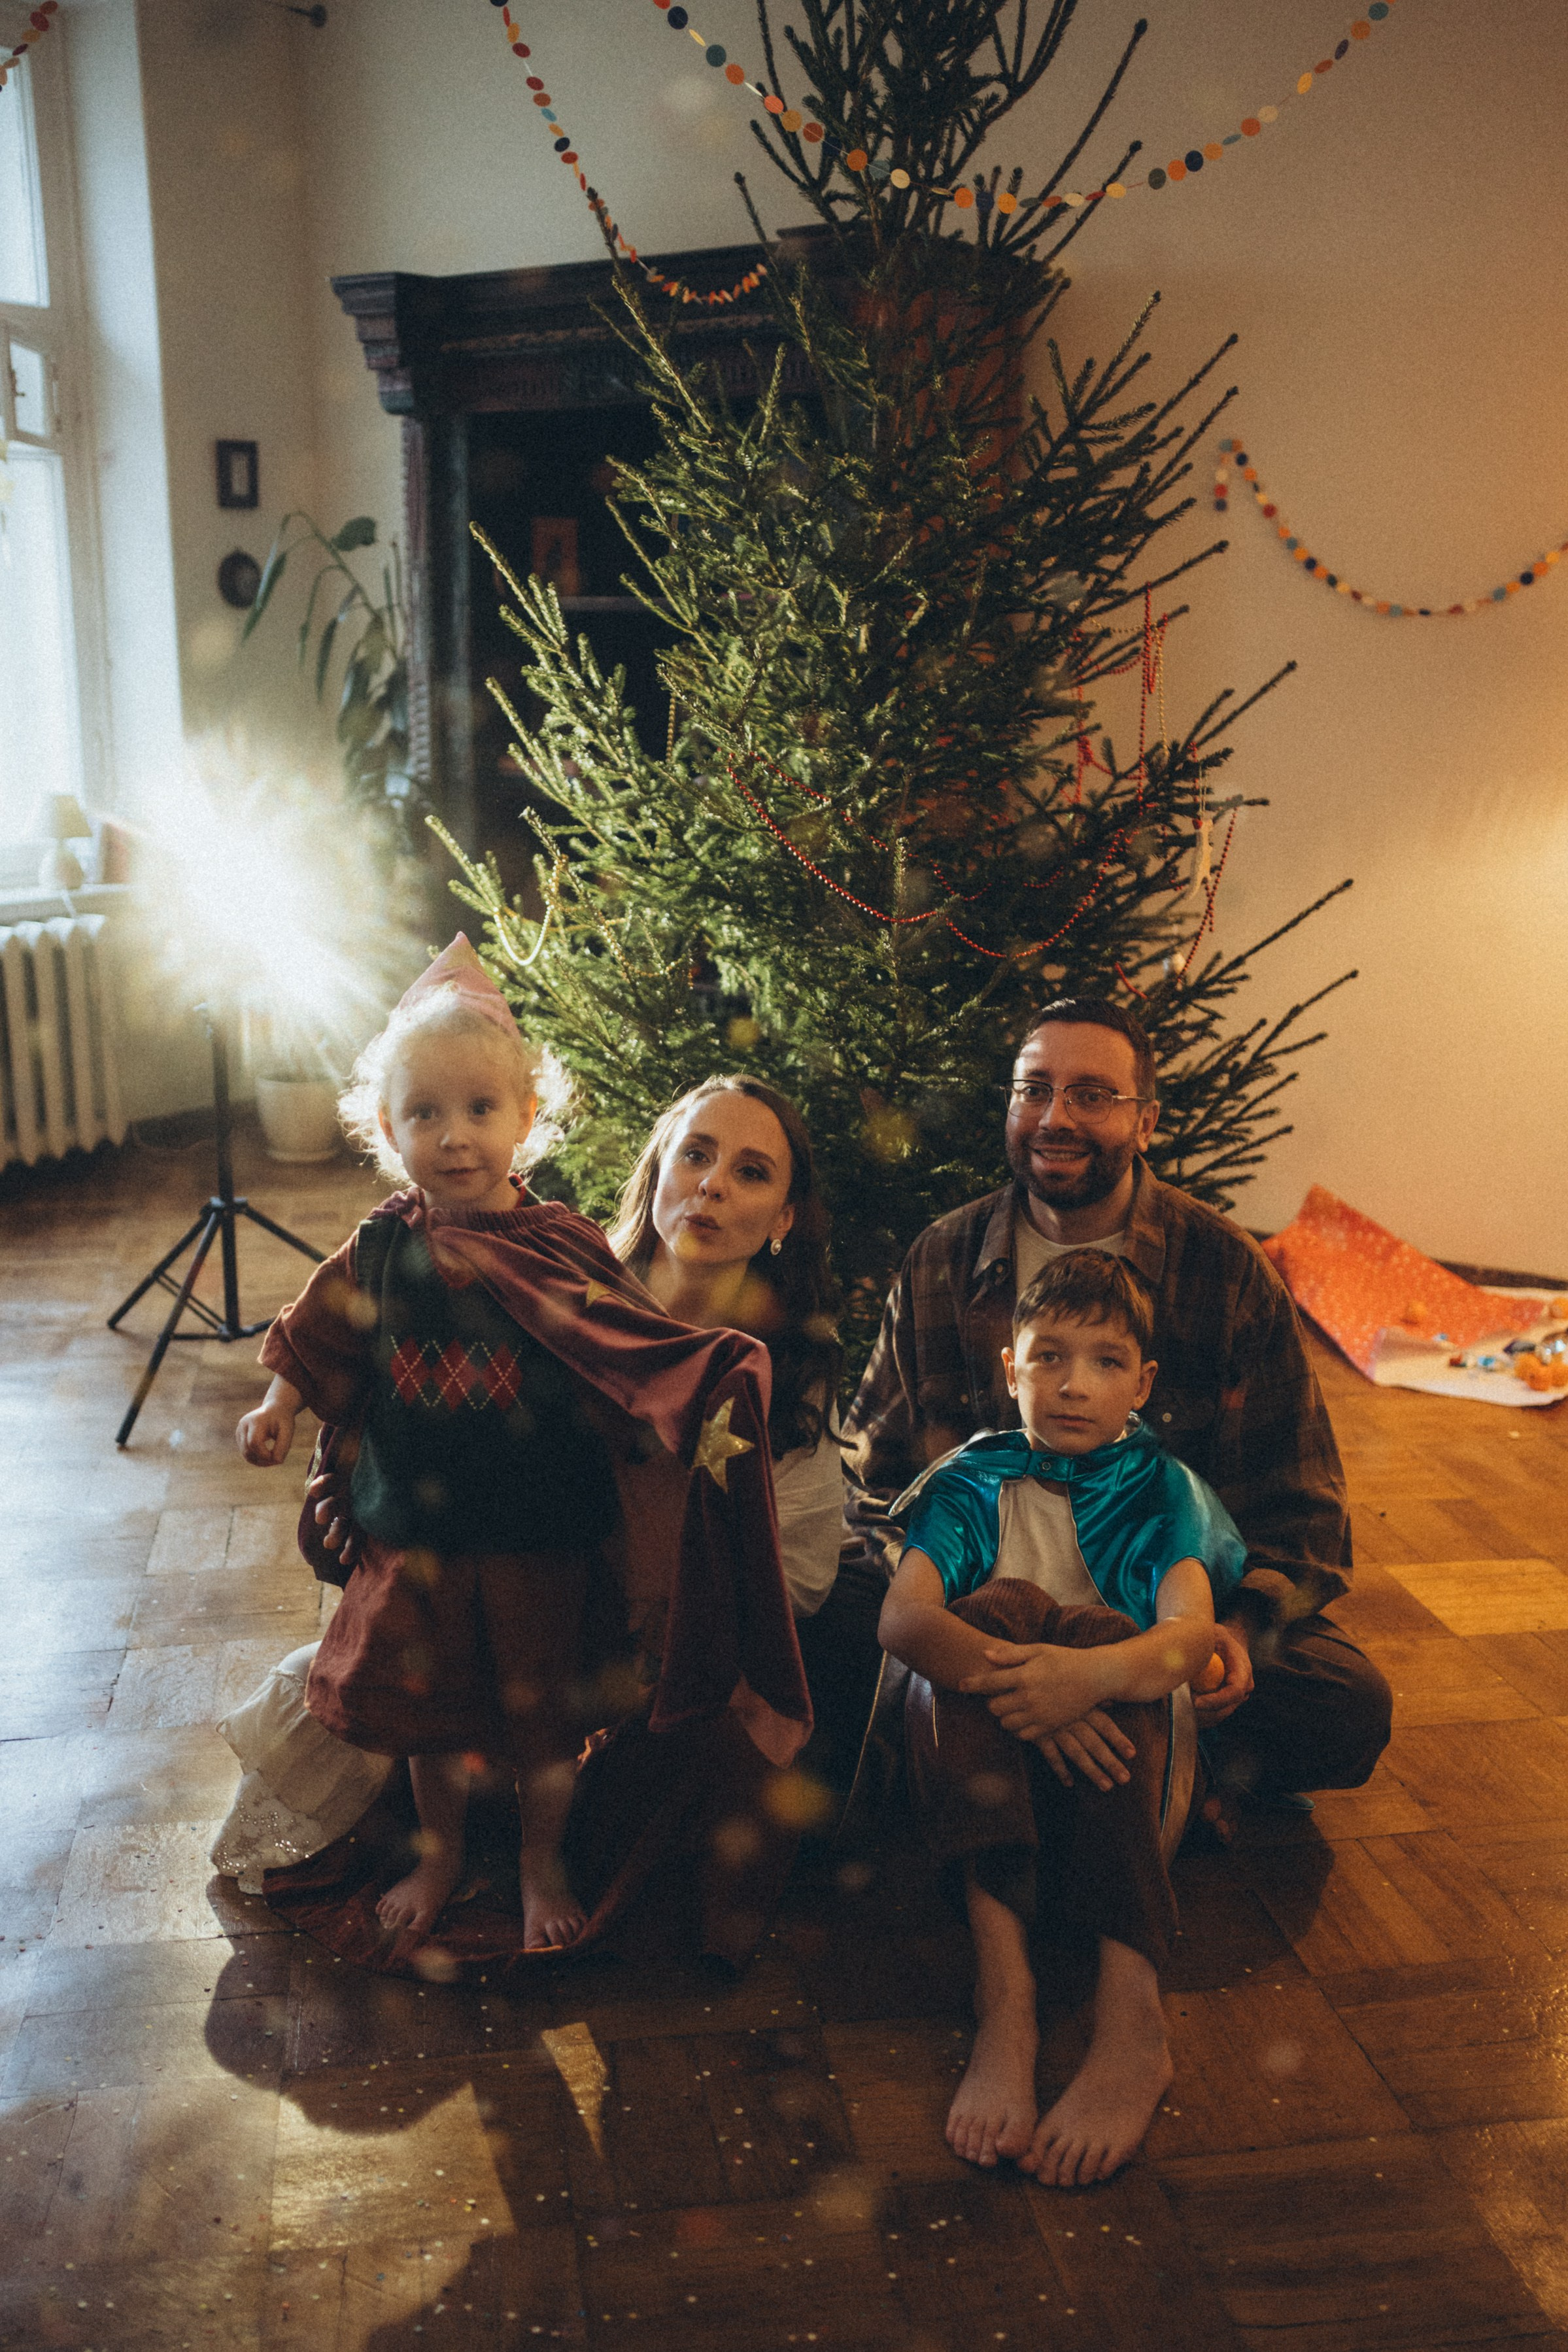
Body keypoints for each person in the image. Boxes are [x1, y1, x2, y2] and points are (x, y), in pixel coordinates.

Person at [224, 936, 808, 1955]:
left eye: (480, 1108)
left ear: (527, 1117)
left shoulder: (564, 1247)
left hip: (541, 1540)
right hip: (418, 1543)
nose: (455, 1137)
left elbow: (630, 1352)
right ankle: (441, 1854)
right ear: (386, 1127)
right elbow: (317, 1333)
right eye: (425, 1113)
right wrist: (279, 1406)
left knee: (544, 1726)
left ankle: (541, 1864)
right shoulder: (380, 1246)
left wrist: (707, 1378)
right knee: (429, 1721)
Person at [843, 995, 1391, 1832]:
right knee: (826, 1651)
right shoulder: (942, 1258)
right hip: (978, 1615)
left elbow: (1303, 1508)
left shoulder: (1224, 1269)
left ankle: (1017, 1767)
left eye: (1091, 1095)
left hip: (1162, 1622)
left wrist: (1230, 1632)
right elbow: (874, 1481)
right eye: (1033, 1090)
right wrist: (975, 1641)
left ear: (1145, 1122)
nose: (1054, 1118)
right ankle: (1134, 1779)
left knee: (1344, 1707)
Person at [878, 1250, 1246, 2181]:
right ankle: (1005, 1995)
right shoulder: (973, 1480)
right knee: (993, 1608)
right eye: (1048, 1356)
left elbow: (1189, 1641)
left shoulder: (1160, 1487)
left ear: (1142, 1384)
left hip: (1116, 1768)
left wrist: (1085, 1678)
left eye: (1105, 1362)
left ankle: (1130, 2012)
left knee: (1104, 1631)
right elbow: (902, 1621)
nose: (1073, 1385)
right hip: (990, 1766)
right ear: (1011, 1368)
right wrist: (1035, 1697)